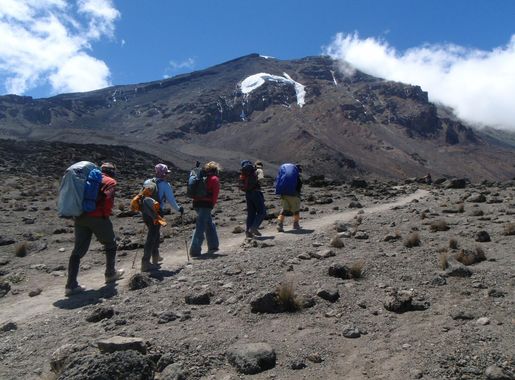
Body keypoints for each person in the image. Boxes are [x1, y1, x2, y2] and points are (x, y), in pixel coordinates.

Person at [65, 162, 124, 296]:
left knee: (78, 250)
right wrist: (106, 211)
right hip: (98, 217)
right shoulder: (110, 181)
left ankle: (70, 285)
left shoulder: (86, 178)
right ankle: (110, 273)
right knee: (110, 243)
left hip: (80, 217)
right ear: (112, 171)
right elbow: (108, 198)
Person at [141, 163, 184, 272]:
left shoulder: (147, 182)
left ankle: (156, 257)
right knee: (152, 235)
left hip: (146, 212)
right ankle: (145, 263)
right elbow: (171, 200)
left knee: (154, 233)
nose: (167, 175)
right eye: (166, 173)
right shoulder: (165, 185)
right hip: (157, 213)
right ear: (163, 173)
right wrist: (179, 209)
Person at [189, 161, 221, 257]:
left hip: (196, 203)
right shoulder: (214, 179)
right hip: (206, 204)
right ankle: (194, 250)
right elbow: (215, 194)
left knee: (208, 223)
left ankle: (213, 245)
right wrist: (212, 204)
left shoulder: (200, 177)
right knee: (201, 226)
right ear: (215, 170)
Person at [240, 160, 266, 238]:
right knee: (262, 212)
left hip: (248, 193)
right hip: (256, 192)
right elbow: (261, 179)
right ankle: (254, 228)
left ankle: (248, 231)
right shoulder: (258, 170)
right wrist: (259, 184)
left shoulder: (244, 173)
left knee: (251, 213)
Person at [275, 163, 303, 232]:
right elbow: (299, 187)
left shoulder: (286, 176)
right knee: (296, 210)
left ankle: (279, 224)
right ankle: (296, 225)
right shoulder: (297, 177)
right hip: (294, 195)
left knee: (284, 209)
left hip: (284, 194)